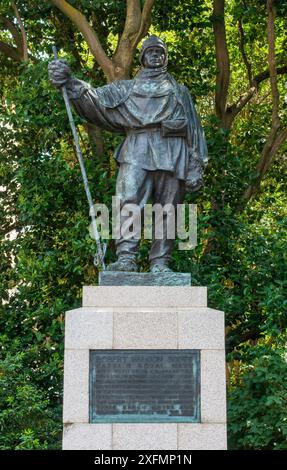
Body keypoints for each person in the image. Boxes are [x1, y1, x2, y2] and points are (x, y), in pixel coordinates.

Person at [48, 35, 208, 273]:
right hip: (136, 149)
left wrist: (197, 164)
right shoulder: (126, 89)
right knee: (128, 201)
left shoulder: (179, 91)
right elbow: (95, 99)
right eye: (151, 51)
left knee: (168, 209)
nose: (156, 55)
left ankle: (161, 263)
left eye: (160, 52)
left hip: (173, 152)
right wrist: (70, 82)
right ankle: (126, 258)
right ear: (142, 57)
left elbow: (194, 129)